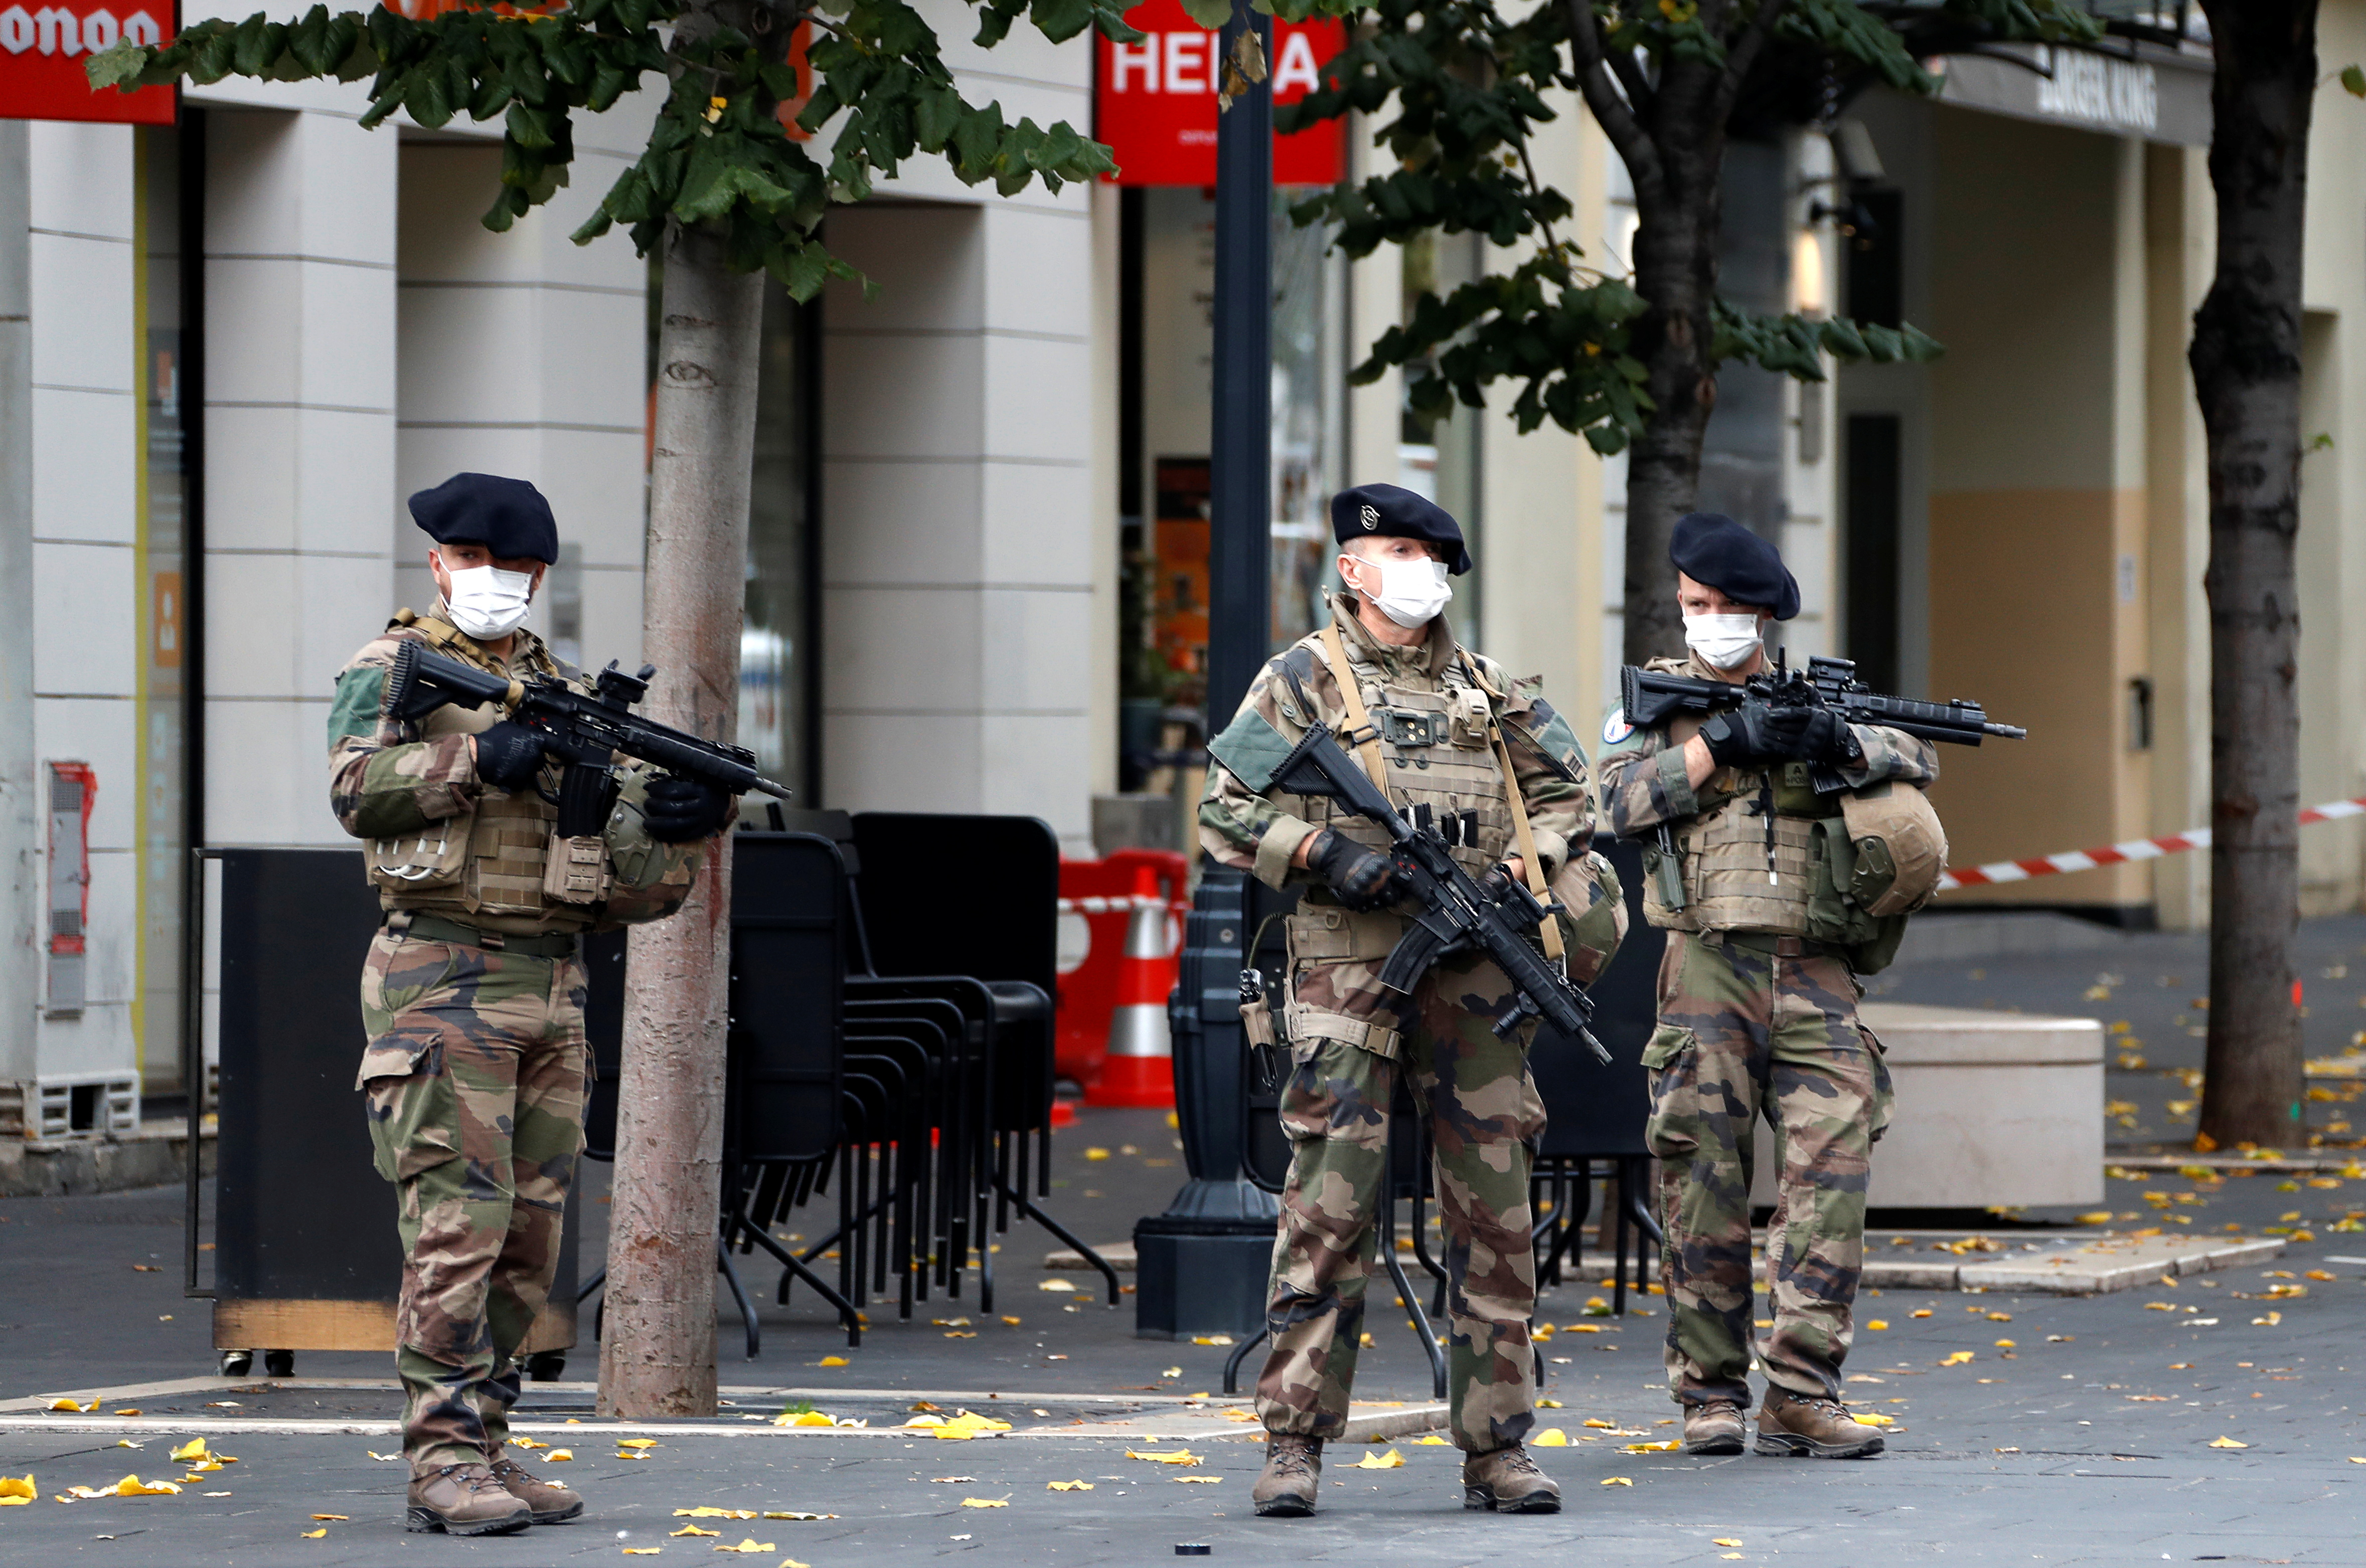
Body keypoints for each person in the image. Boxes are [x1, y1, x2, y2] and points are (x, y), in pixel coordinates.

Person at [328, 473, 730, 1535]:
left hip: (549, 982)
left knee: (529, 1242)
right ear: (436, 563)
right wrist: (474, 758)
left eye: (511, 568)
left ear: (540, 577)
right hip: (438, 980)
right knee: (456, 1228)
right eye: (471, 560)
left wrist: (683, 823)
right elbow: (354, 792)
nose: (490, 580)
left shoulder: (566, 693)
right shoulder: (393, 668)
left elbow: (626, 883)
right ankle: (441, 1459)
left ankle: (488, 1444)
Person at [1200, 483, 1607, 1518]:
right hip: (1349, 969)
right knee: (1328, 1209)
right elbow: (1222, 810)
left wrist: (1532, 859)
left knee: (1495, 1213)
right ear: (1351, 565)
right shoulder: (1301, 680)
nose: (1420, 565)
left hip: (1471, 975)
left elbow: (1573, 795)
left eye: (1432, 550)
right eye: (1399, 547)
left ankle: (1497, 1447)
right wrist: (1328, 852)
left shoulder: (1489, 687)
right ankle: (1293, 1442)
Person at [1596, 512, 1939, 1460]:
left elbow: (1922, 753)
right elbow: (1614, 801)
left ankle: (1800, 1391)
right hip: (1707, 963)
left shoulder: (1817, 697)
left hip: (1819, 969)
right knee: (1699, 1177)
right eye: (1696, 604)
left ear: (1765, 615)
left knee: (1829, 1176)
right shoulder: (1653, 706)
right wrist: (1723, 743)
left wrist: (1839, 745)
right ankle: (1709, 1393)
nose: (1710, 620)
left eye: (1729, 608)